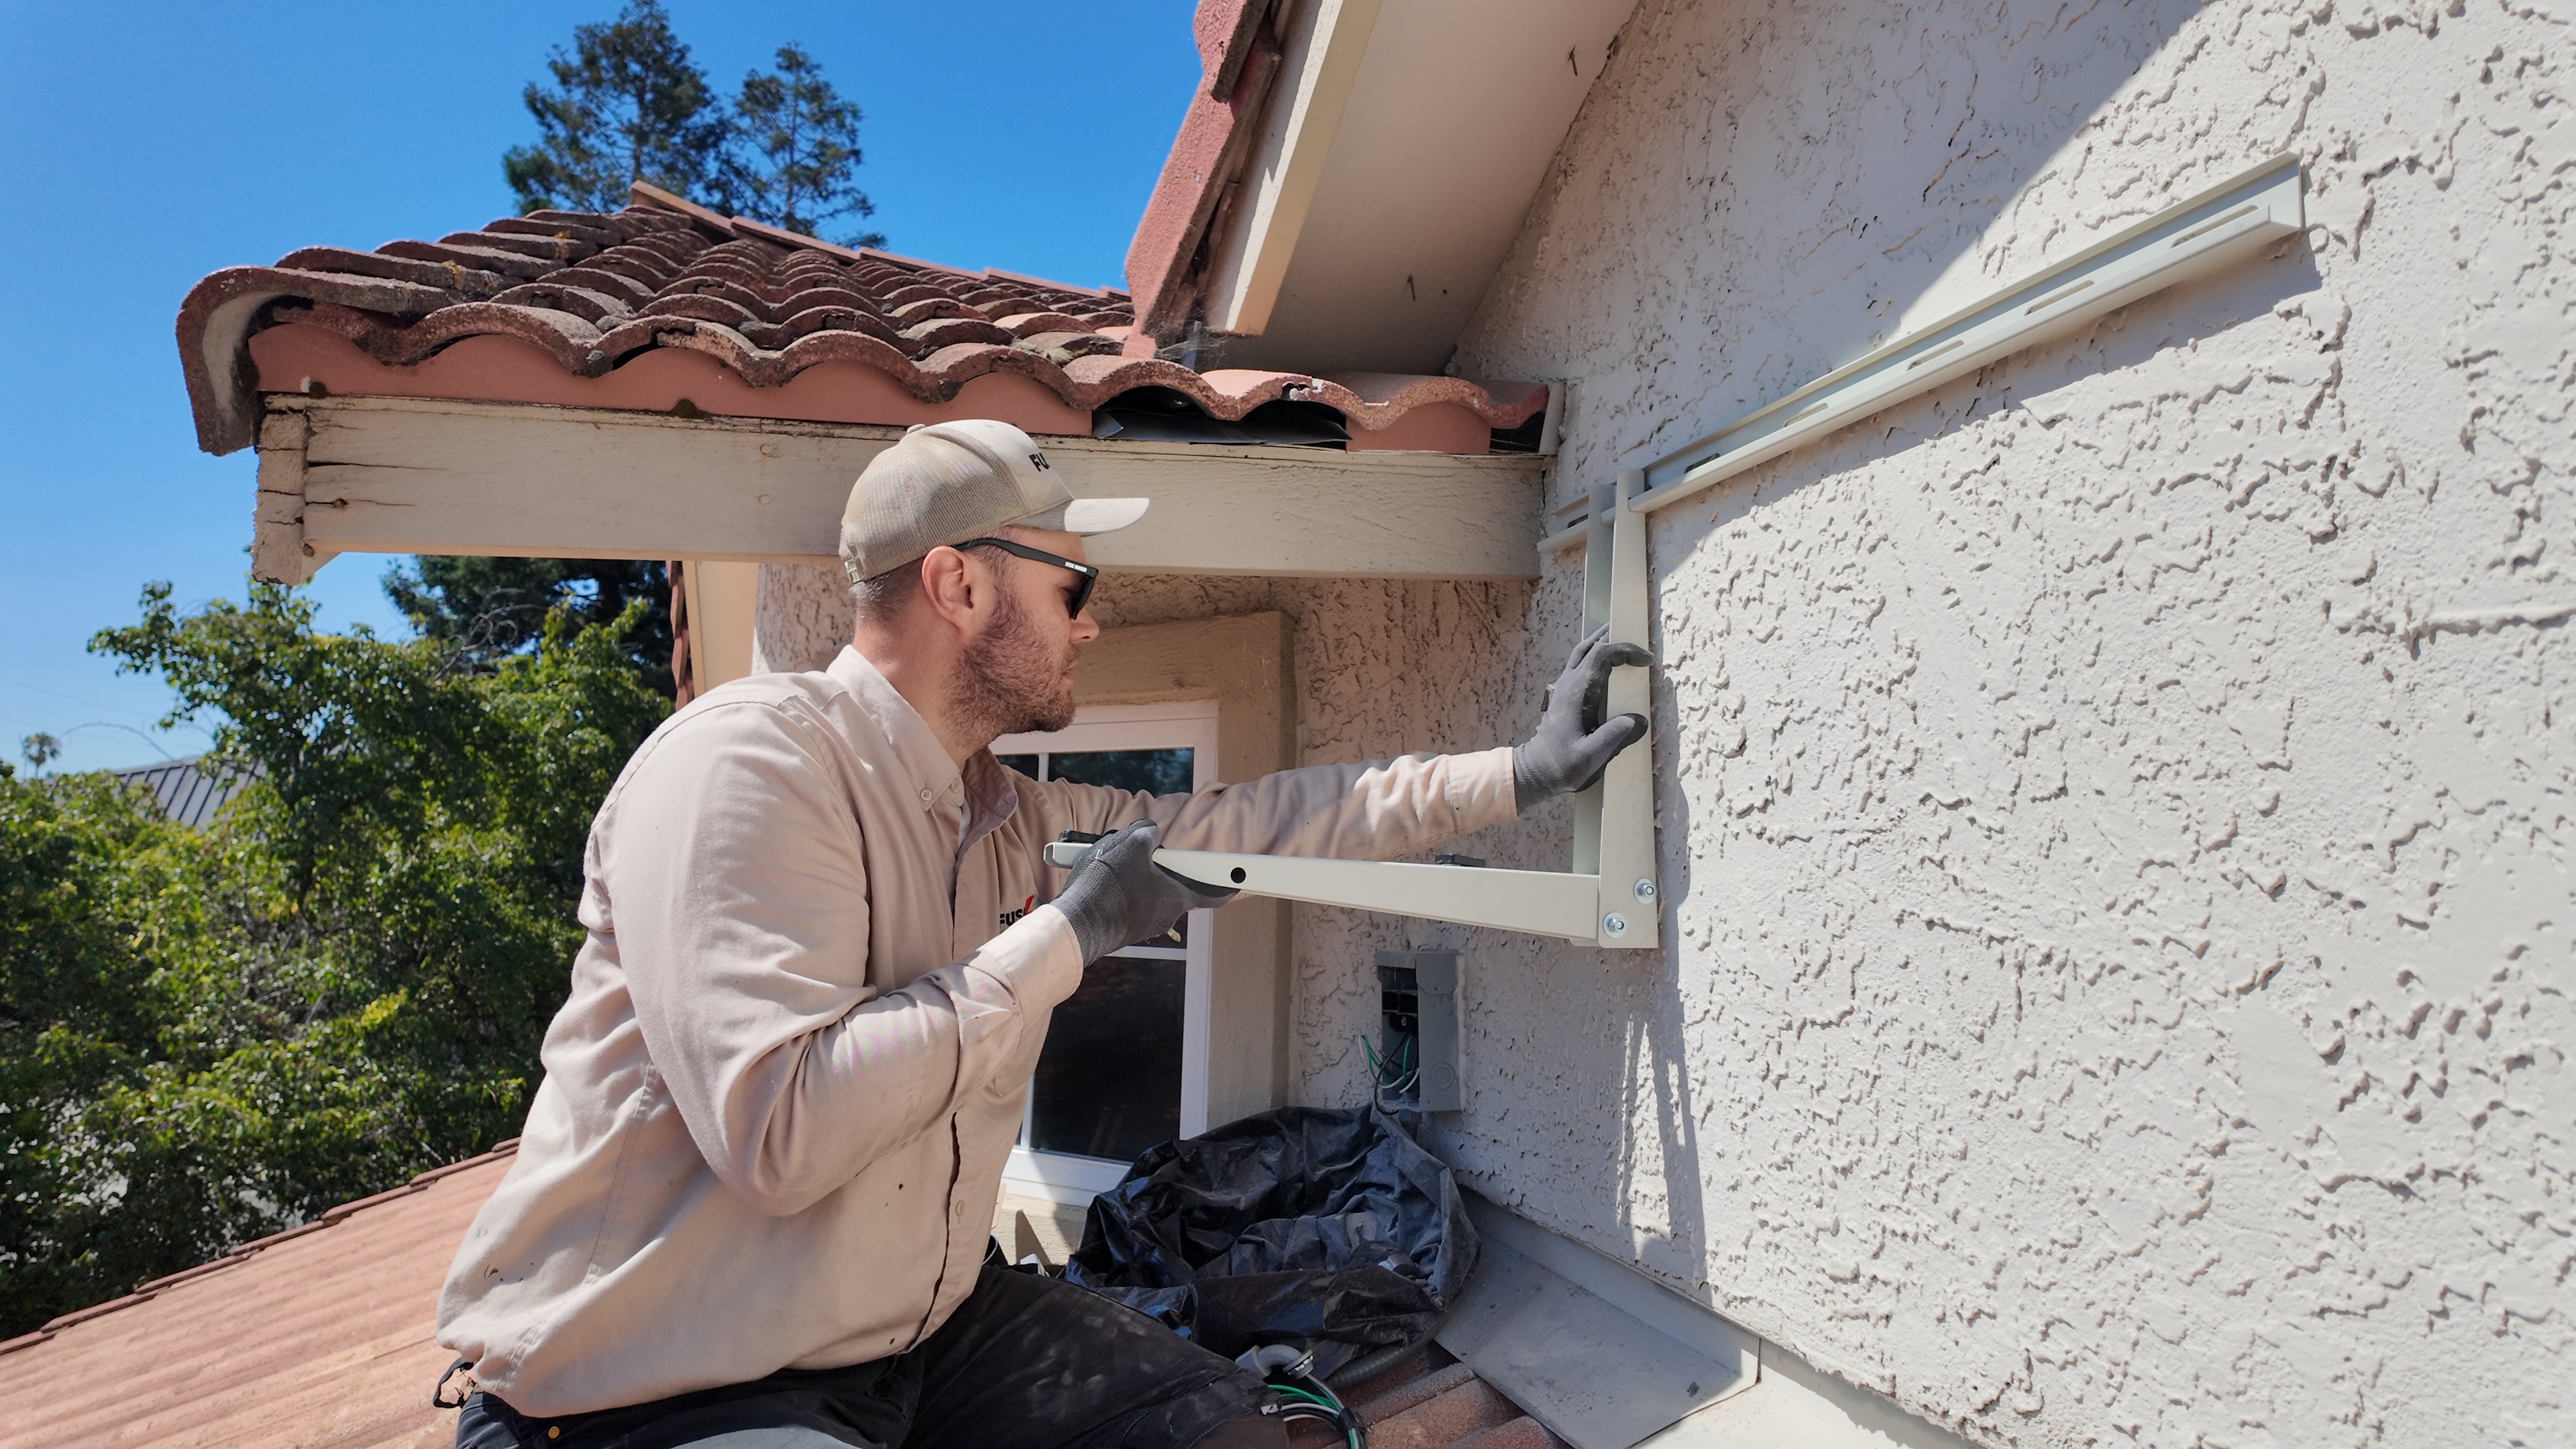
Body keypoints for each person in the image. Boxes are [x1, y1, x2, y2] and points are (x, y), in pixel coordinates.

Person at [437, 419, 1650, 1449]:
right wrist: (1066, 939)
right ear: (959, 584)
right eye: (1073, 591)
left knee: (1239, 1432)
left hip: (917, 1340)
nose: (1090, 627)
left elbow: (1254, 823)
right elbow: (782, 1130)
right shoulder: (746, 766)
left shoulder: (1001, 811)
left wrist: (1515, 776)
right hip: (651, 1396)